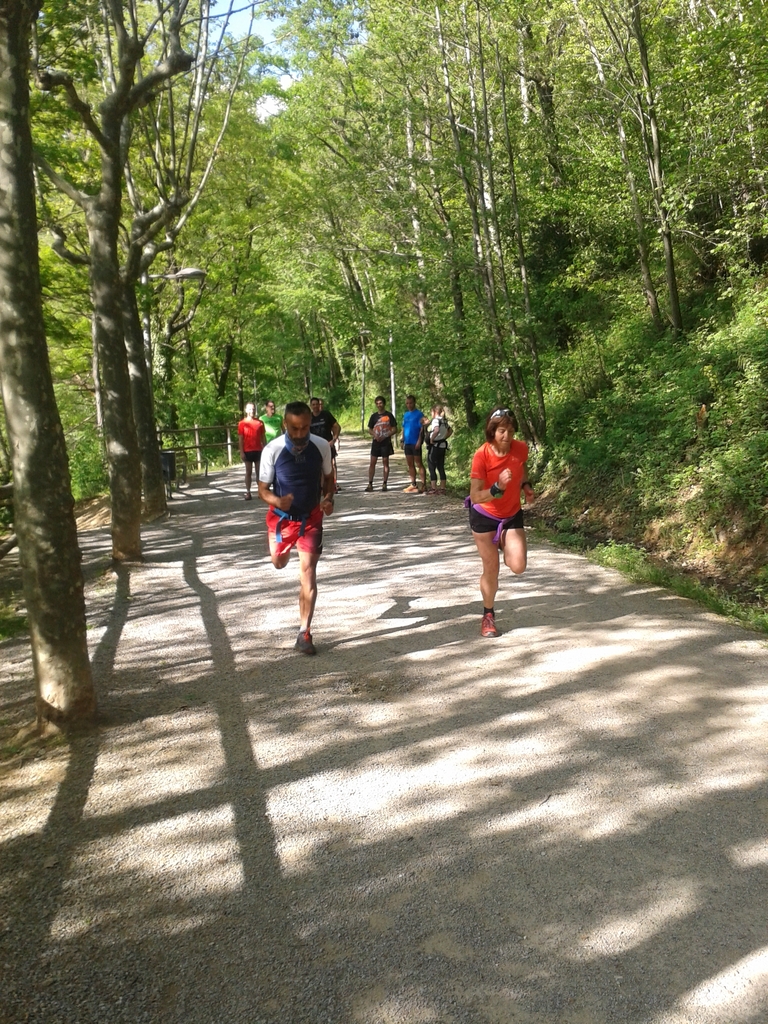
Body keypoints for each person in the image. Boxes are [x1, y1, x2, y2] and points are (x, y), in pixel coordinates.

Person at [258, 401, 335, 655]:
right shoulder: (272, 450)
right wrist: (276, 500)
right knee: (278, 563)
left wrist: (328, 499)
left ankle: (304, 632)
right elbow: (262, 490)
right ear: (285, 424)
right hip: (282, 519)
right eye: (294, 428)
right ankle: (284, 550)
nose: (300, 433)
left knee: (308, 572)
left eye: (305, 428)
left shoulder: (321, 446)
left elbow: (329, 478)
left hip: (311, 517)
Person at [467, 407, 535, 638]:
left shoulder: (520, 448)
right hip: (484, 516)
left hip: (511, 514)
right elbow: (475, 496)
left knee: (518, 565)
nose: (507, 436)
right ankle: (488, 615)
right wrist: (497, 488)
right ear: (492, 431)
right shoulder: (482, 455)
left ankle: (505, 545)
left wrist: (525, 486)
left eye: (511, 431)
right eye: (502, 431)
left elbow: (521, 468)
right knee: (491, 568)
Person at [309, 396, 341, 492]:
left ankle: (332, 485)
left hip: (327, 445)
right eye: (313, 405)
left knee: (330, 465)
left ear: (319, 405)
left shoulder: (326, 415)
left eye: (317, 404)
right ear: (310, 406)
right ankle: (321, 487)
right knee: (317, 467)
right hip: (314, 447)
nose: (315, 406)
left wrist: (334, 439)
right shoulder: (308, 417)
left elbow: (337, 427)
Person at [366, 395, 397, 492]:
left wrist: (386, 435)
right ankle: (370, 483)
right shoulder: (374, 416)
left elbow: (395, 429)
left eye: (381, 403)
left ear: (384, 404)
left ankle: (384, 483)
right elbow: (370, 429)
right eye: (377, 403)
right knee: (372, 462)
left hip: (385, 442)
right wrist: (375, 435)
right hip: (376, 442)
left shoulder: (389, 415)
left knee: (385, 462)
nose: (379, 405)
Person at [237, 403, 266, 500]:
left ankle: (260, 491)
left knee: (259, 472)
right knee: (248, 471)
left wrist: (266, 448)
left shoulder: (260, 423)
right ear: (246, 410)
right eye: (250, 409)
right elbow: (240, 439)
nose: (252, 411)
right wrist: (241, 452)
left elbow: (263, 437)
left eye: (253, 409)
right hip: (247, 450)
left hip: (258, 450)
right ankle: (248, 492)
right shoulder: (242, 423)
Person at [400, 394, 427, 493]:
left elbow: (422, 429)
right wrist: (402, 440)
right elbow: (403, 428)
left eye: (410, 403)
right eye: (407, 403)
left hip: (415, 442)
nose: (409, 405)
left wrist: (419, 441)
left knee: (419, 463)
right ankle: (413, 484)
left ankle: (423, 484)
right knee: (410, 464)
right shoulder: (406, 415)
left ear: (414, 403)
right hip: (408, 442)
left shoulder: (419, 414)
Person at [426, 404, 452, 495]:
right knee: (441, 466)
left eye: (431, 412)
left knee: (431, 466)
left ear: (434, 412)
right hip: (442, 446)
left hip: (435, 446)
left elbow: (436, 430)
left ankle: (434, 488)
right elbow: (450, 431)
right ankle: (442, 488)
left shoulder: (435, 420)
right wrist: (444, 437)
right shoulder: (444, 421)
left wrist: (432, 439)